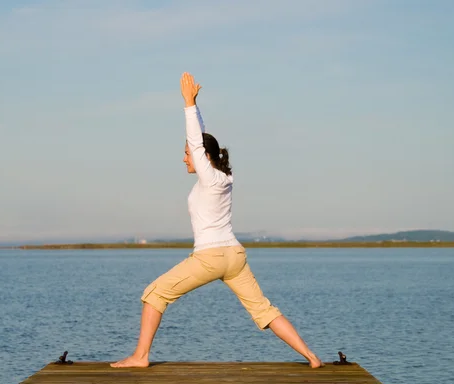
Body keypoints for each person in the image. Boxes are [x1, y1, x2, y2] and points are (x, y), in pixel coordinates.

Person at [110, 72, 323, 369]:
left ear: (203, 157)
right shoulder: (222, 177)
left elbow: (198, 143)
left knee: (154, 294)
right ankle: (312, 358)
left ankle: (140, 357)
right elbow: (201, 137)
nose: (185, 159)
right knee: (263, 309)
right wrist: (195, 106)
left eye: (187, 154)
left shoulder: (210, 177)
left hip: (210, 256)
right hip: (234, 257)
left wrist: (186, 104)